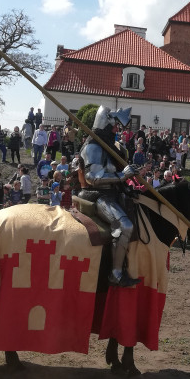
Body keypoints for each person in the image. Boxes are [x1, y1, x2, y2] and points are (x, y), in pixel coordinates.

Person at [78, 106, 141, 287]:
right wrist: (123, 175)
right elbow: (93, 178)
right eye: (114, 127)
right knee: (125, 226)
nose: (116, 130)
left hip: (113, 192)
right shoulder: (93, 146)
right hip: (98, 194)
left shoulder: (108, 145)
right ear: (105, 125)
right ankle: (116, 274)